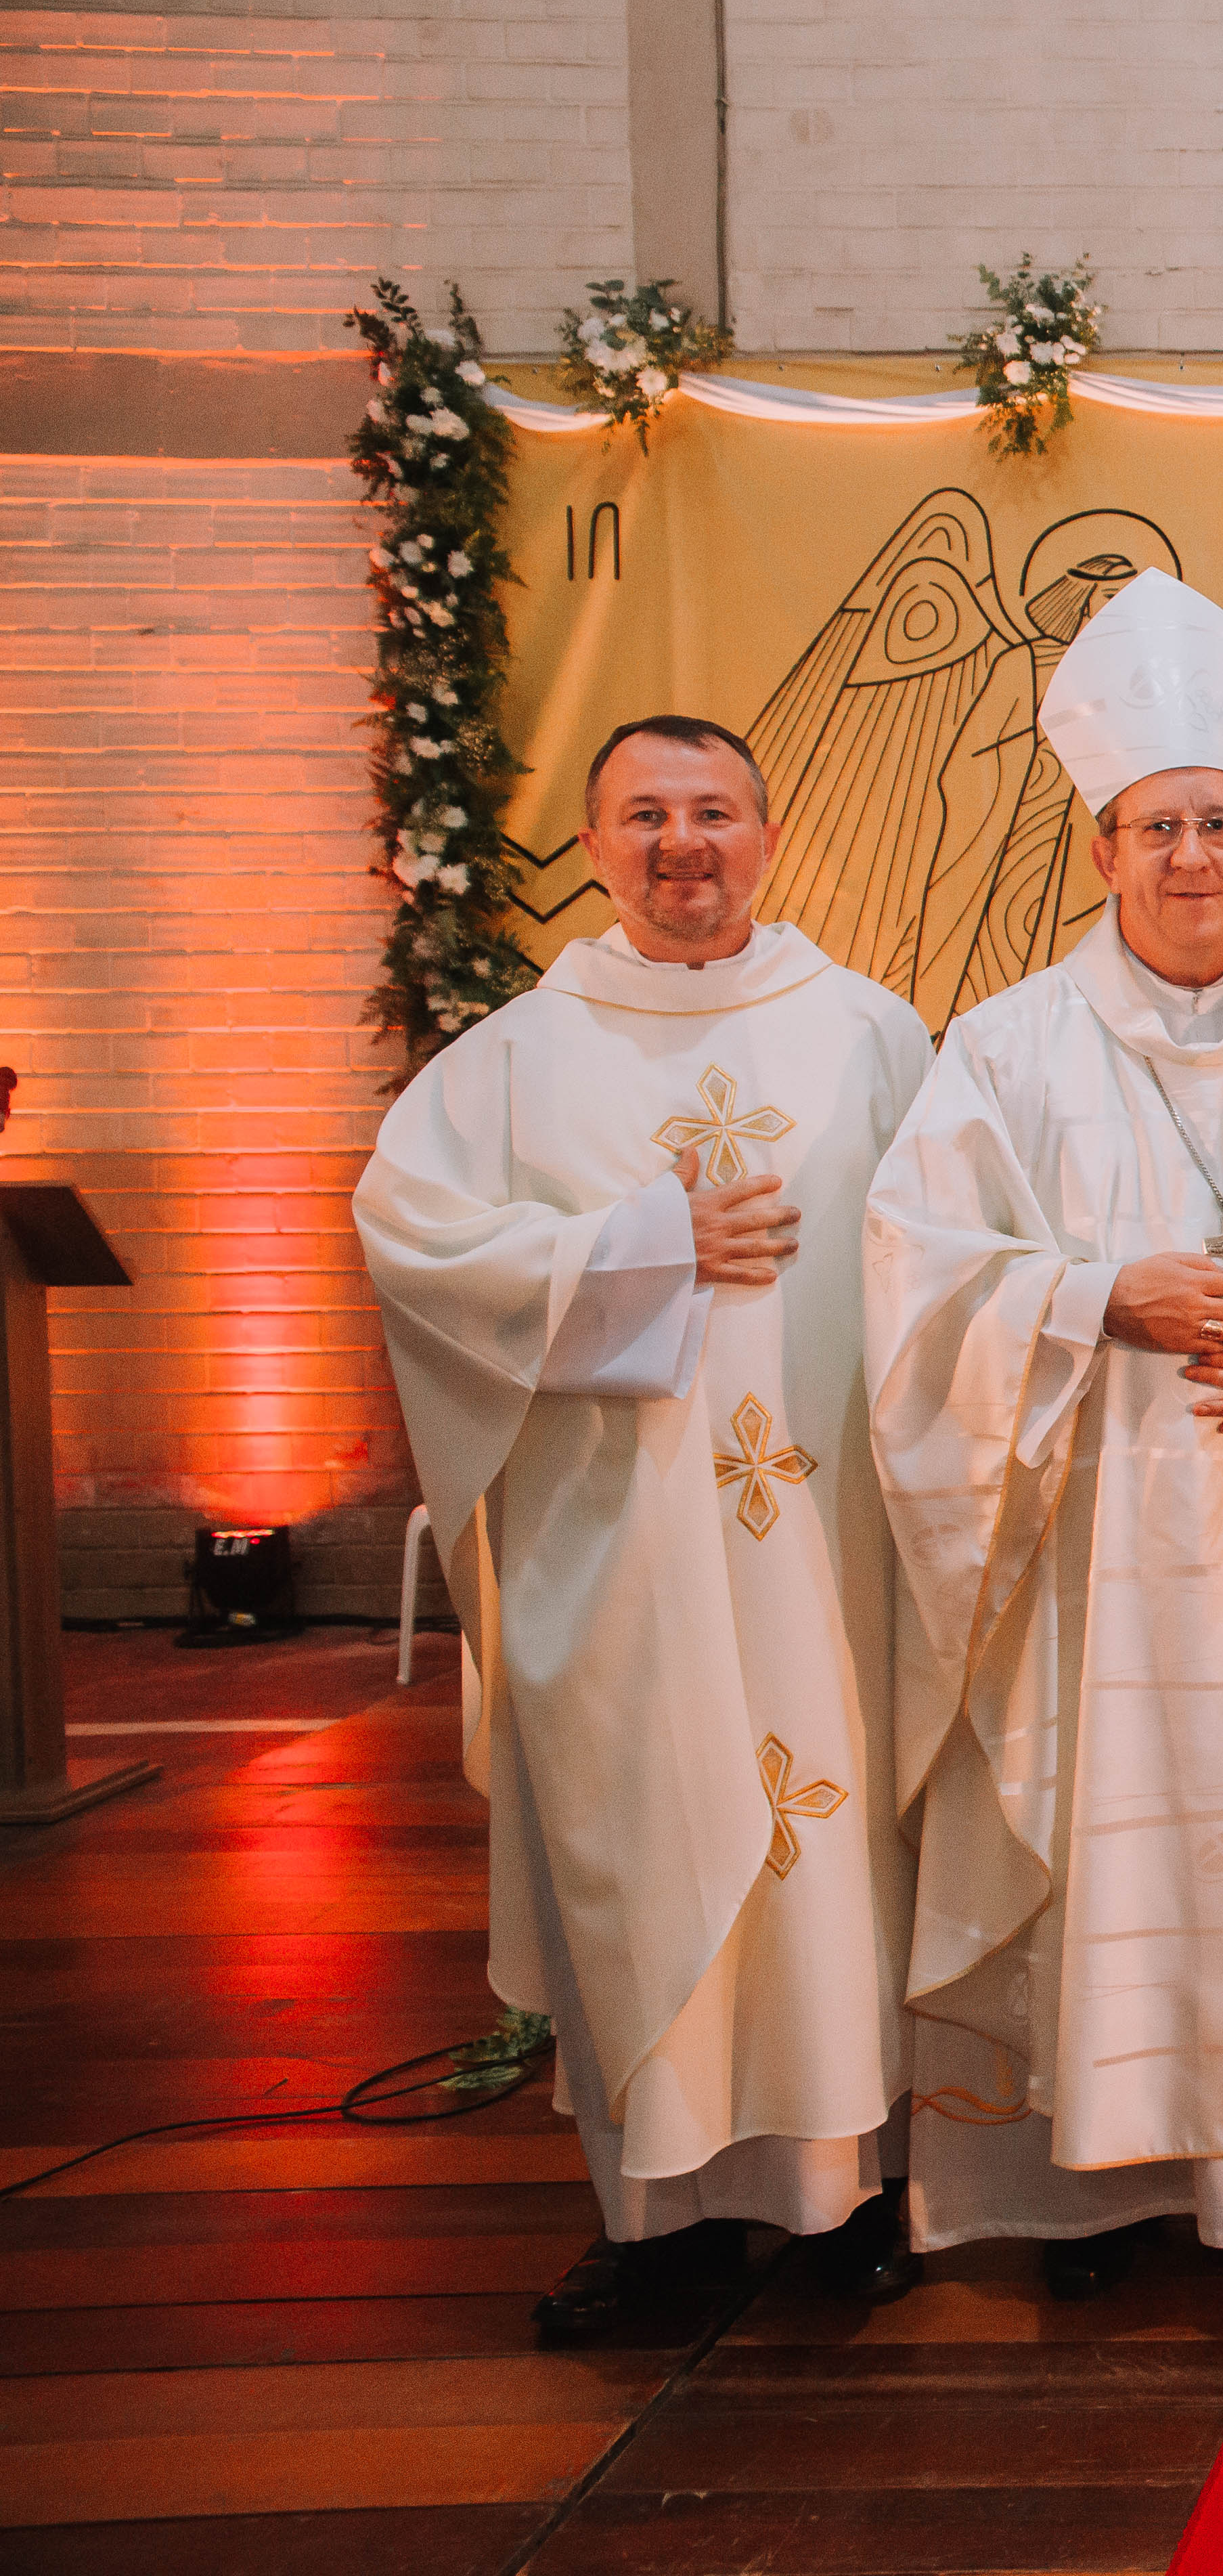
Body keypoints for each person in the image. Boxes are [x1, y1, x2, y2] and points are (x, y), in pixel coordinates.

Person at [356, 715, 932, 2338]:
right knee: (647, 1855)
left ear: (767, 831)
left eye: (714, 810)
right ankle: (660, 2219)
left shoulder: (874, 1035)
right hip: (622, 1560)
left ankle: (847, 2193)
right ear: (598, 842)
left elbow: (957, 1253)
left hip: (833, 1549)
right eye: (645, 813)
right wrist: (639, 1245)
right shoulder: (514, 1061)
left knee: (830, 1855)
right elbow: (412, 1241)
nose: (684, 842)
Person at [862, 572, 1223, 2296]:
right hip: (1089, 1537)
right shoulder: (1003, 1051)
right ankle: (1090, 2181)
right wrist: (1090, 1300)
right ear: (1099, 848)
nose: (1189, 859)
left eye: (1218, 825)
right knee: (1112, 1828)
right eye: (1155, 826)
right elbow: (917, 1282)